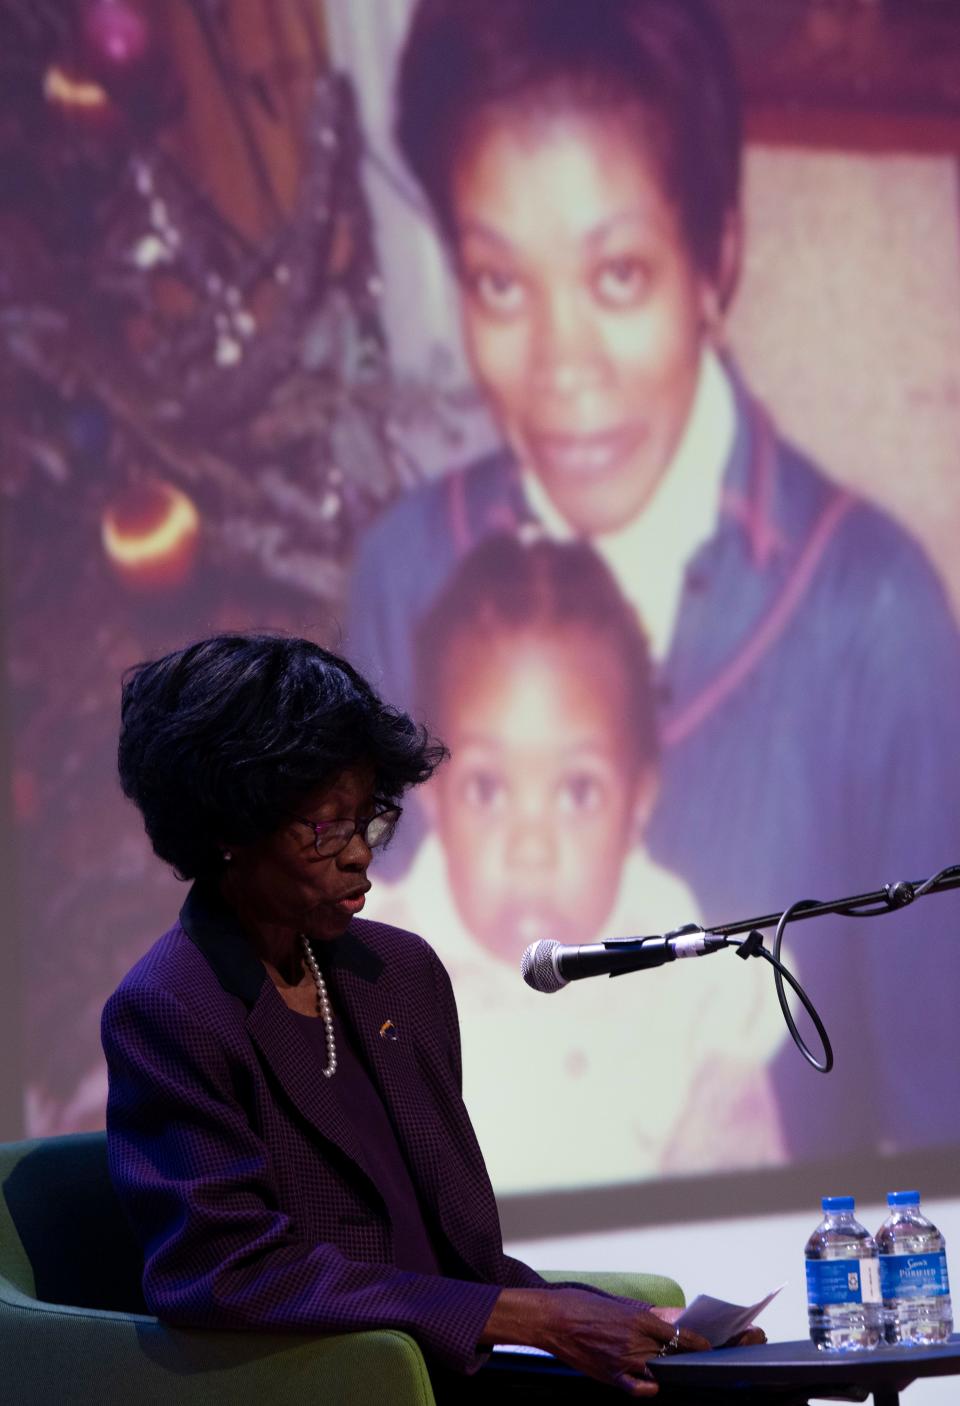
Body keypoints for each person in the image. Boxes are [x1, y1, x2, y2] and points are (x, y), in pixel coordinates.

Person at [346, 0, 960, 1160]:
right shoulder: (406, 576)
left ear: (714, 259)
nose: (561, 369)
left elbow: (945, 1125)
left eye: (618, 273)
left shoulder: (874, 621)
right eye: (499, 283)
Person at [103, 632, 771, 1398]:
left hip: (448, 1374)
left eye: (370, 820)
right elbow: (228, 1272)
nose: (360, 854)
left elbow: (459, 1260)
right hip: (329, 1386)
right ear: (227, 831)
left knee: (731, 1390)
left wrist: (629, 1324)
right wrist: (534, 1321)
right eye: (326, 829)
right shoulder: (170, 1009)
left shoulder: (398, 974)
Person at [364, 535, 786, 1187]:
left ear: (637, 806)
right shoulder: (372, 982)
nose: (532, 847)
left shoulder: (695, 994)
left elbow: (743, 1205)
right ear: (435, 801)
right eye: (487, 789)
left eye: (578, 792)